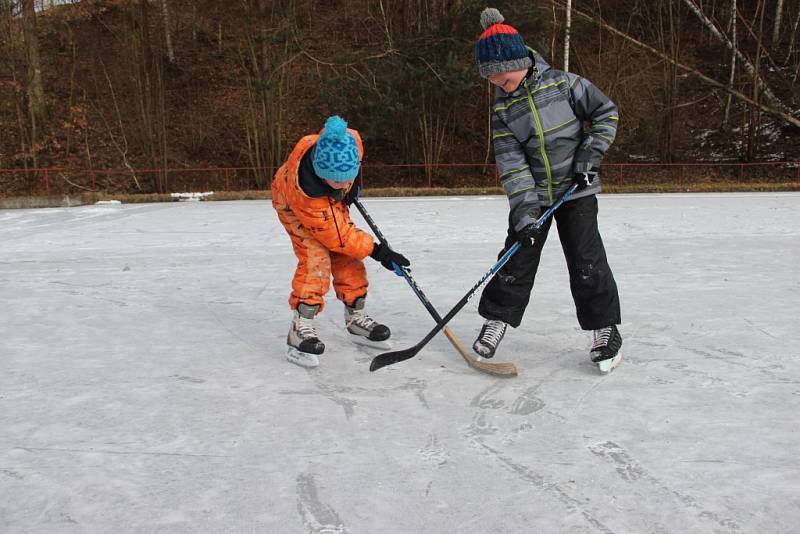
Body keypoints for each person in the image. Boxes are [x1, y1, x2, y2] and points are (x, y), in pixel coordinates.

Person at [472, 7, 622, 373]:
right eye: (491, 80)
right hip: (535, 197)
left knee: (587, 261)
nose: (497, 84)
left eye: (501, 77)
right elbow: (511, 163)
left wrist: (588, 159)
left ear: (518, 61)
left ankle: (605, 329)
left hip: (577, 191)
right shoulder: (503, 110)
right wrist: (525, 213)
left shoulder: (565, 84)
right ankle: (497, 320)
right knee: (517, 255)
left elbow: (606, 113)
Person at [271, 115, 410, 368]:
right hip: (294, 207)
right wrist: (379, 252)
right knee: (317, 260)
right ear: (323, 176)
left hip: (329, 204)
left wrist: (351, 186)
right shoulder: (309, 195)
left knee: (349, 258)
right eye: (338, 181)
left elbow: (351, 164)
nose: (346, 183)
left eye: (349, 177)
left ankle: (356, 317)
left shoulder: (350, 142)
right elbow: (340, 238)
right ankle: (299, 328)